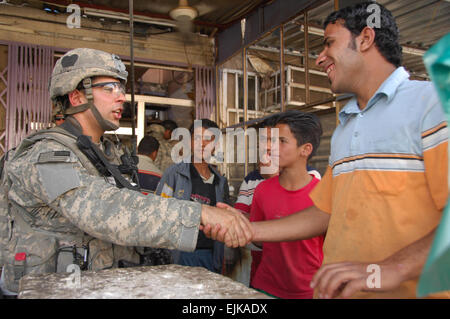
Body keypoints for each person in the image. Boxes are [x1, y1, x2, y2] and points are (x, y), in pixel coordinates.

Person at [207, 2, 449, 299]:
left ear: (365, 39)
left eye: (330, 43)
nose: (320, 58)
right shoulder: (347, 125)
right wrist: (248, 229)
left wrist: (389, 269)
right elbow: (324, 213)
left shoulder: (432, 105)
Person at [0, 48, 252, 295]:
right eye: (109, 88)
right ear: (76, 97)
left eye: (121, 88)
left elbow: (134, 207)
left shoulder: (108, 154)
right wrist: (199, 213)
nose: (121, 97)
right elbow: (102, 210)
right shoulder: (46, 156)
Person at [249, 110, 324, 299]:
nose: (271, 148)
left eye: (281, 141)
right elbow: (257, 239)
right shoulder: (262, 190)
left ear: (305, 149)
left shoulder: (324, 194)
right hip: (265, 287)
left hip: (310, 291)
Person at [155, 119, 229, 274]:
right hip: (179, 255)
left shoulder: (220, 182)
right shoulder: (174, 174)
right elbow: (159, 212)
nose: (203, 144)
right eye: (197, 138)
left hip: (209, 256)